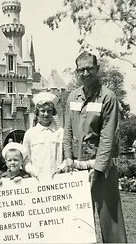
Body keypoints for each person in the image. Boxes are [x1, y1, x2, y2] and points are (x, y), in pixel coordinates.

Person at [63, 51, 127, 243]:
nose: (85, 73)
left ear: (97, 69)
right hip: (77, 166)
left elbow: (108, 137)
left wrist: (98, 170)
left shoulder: (108, 97)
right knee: (78, 222)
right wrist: (68, 157)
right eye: (81, 70)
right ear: (76, 72)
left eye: (89, 68)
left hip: (102, 168)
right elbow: (67, 130)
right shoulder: (72, 97)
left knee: (111, 222)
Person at [22, 92, 64, 179]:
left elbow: (67, 156)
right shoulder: (30, 134)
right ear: (37, 113)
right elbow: (26, 158)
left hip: (57, 179)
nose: (46, 114)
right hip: (37, 179)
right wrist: (31, 171)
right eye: (42, 111)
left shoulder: (60, 132)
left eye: (49, 111)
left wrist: (61, 168)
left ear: (53, 112)